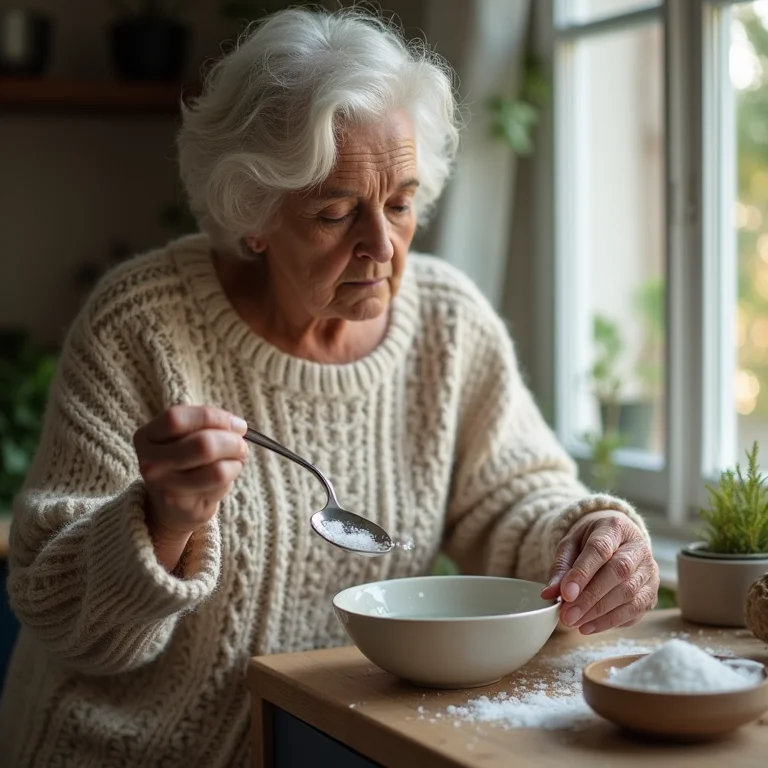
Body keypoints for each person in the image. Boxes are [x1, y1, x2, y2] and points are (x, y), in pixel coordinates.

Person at [0, 7, 659, 767]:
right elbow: (56, 611)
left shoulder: (449, 325)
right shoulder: (140, 325)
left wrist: (586, 545)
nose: (382, 245)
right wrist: (160, 521)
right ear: (253, 214)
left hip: (331, 748)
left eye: (401, 203)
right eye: (336, 212)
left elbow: (513, 502)